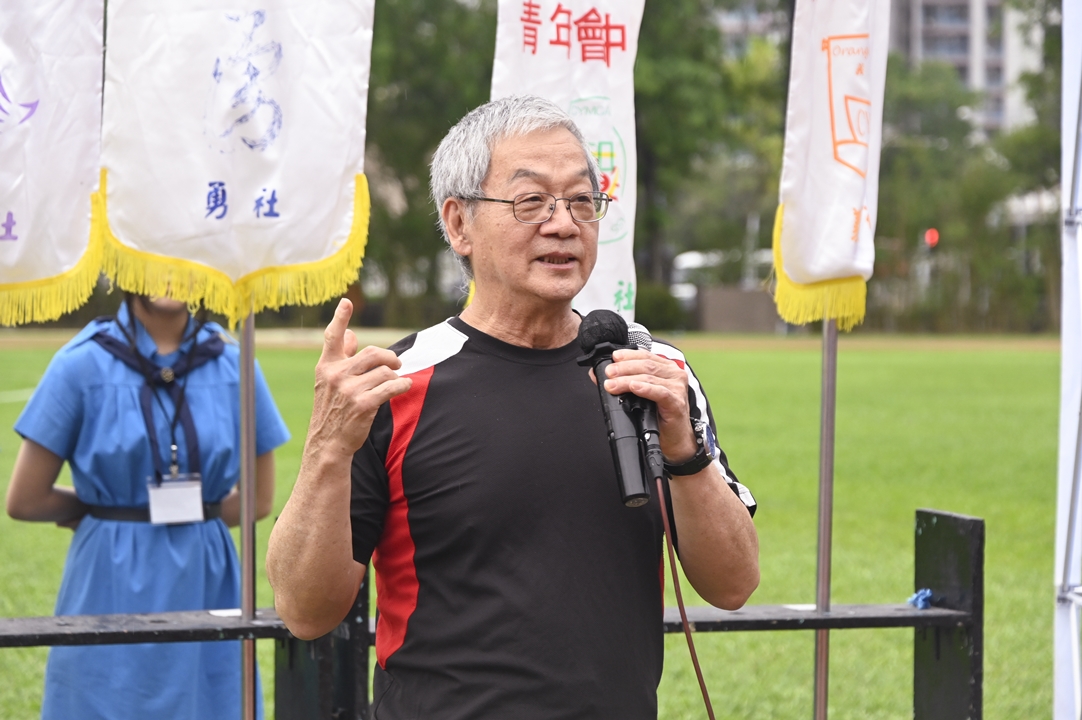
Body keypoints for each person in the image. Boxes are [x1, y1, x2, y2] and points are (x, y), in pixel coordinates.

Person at [266, 95, 759, 719]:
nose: (564, 224)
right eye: (532, 202)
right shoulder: (394, 383)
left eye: (582, 200)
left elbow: (733, 584)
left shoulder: (650, 374)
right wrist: (326, 447)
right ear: (459, 224)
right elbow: (305, 612)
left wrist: (685, 452)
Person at [6, 293, 290, 720]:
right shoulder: (79, 363)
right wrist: (105, 511)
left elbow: (258, 500)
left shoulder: (237, 363)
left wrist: (113, 513)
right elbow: (24, 499)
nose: (168, 273)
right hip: (108, 580)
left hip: (204, 580)